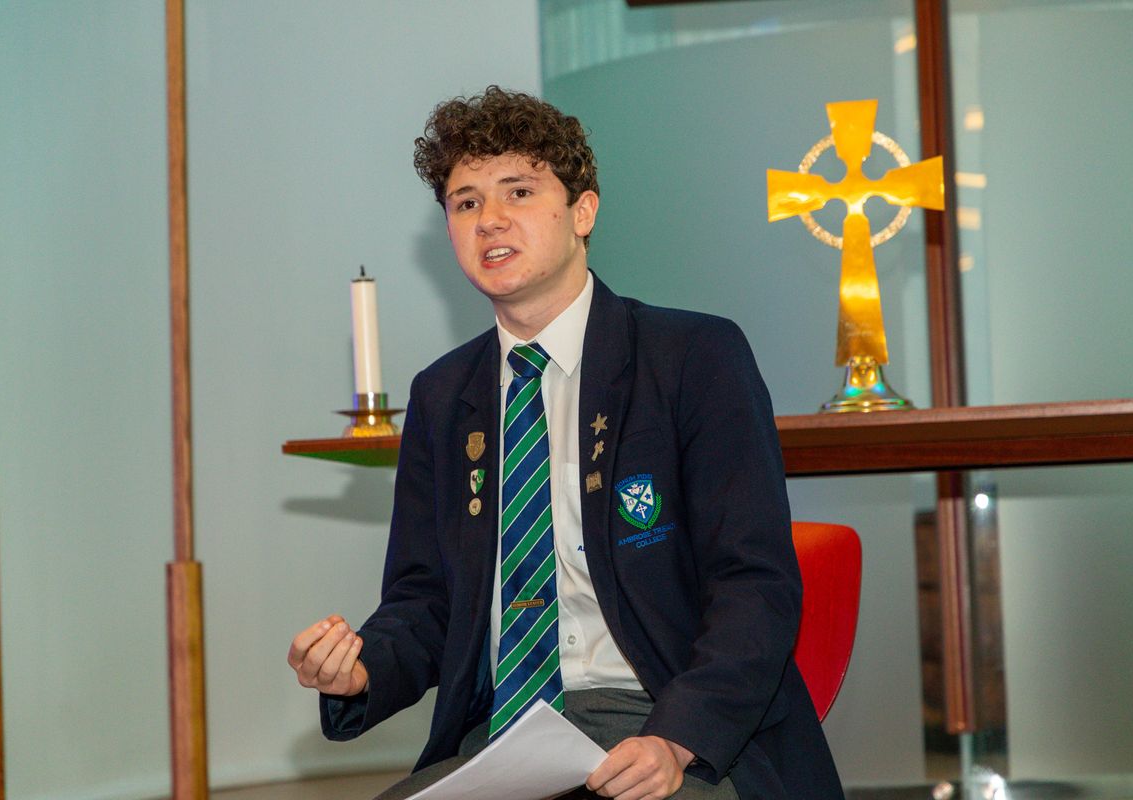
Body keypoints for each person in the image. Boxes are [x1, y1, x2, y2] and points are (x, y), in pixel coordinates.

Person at [288, 86, 843, 800]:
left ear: (583, 212)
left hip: (662, 725)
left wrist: (677, 738)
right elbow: (425, 603)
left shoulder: (692, 357)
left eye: (518, 191)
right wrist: (360, 668)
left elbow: (754, 585)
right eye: (465, 202)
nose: (490, 219)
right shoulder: (443, 395)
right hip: (501, 737)